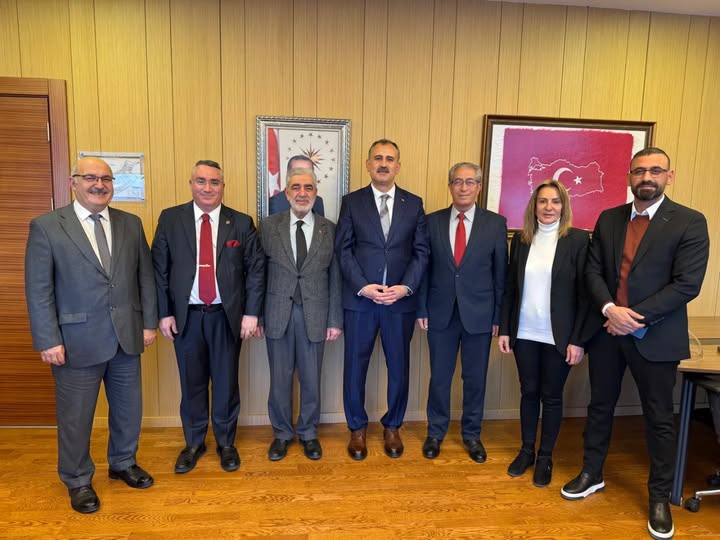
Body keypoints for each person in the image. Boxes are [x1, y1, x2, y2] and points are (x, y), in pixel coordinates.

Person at [560, 147, 710, 540]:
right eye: (640, 171)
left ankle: (659, 497)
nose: (647, 177)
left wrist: (632, 318)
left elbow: (687, 284)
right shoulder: (609, 219)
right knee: (599, 407)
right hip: (607, 333)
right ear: (629, 176)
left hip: (655, 336)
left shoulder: (690, 221)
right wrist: (610, 310)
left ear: (669, 176)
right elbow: (592, 272)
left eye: (655, 171)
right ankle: (592, 473)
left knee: (659, 419)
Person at [24, 157, 158, 514]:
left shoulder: (131, 224)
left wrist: (149, 323)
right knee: (76, 416)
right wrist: (47, 339)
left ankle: (123, 462)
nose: (99, 184)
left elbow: (145, 277)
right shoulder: (47, 227)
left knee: (128, 409)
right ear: (74, 182)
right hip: (75, 341)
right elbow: (38, 289)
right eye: (90, 178)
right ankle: (77, 478)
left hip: (126, 336)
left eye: (106, 179)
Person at [151, 160, 265, 474]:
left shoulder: (240, 222)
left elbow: (256, 270)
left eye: (214, 182)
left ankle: (226, 443)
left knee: (226, 383)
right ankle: (194, 443)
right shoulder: (171, 219)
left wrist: (251, 313)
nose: (207, 188)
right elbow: (159, 270)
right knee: (192, 383)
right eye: (201, 181)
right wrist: (164, 312)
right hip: (186, 318)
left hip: (226, 317)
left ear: (223, 187)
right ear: (191, 184)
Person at [335, 138, 429, 460]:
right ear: (368, 164)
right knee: (354, 367)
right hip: (361, 302)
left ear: (398, 166)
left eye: (390, 159)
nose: (384, 164)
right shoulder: (352, 202)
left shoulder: (413, 204)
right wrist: (363, 286)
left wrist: (406, 288)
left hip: (399, 303)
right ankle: (357, 428)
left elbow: (421, 252)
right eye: (378, 158)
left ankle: (393, 426)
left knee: (399, 367)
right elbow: (343, 251)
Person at [498, 179, 589, 487]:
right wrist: (506, 329)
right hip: (525, 332)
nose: (549, 207)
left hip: (559, 337)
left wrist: (578, 340)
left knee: (551, 396)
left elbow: (585, 296)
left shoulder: (578, 240)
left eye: (555, 201)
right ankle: (526, 451)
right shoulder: (521, 239)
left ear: (564, 206)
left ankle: (545, 456)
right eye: (543, 201)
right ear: (533, 206)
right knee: (529, 392)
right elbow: (510, 288)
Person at [417, 162, 507, 464]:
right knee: (439, 378)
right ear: (450, 186)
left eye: (470, 182)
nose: (464, 187)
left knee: (475, 379)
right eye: (458, 181)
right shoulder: (431, 222)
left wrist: (498, 317)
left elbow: (500, 275)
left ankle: (472, 435)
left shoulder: (495, 224)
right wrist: (421, 308)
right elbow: (424, 270)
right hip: (440, 313)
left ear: (479, 187)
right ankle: (435, 433)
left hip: (479, 315)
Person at [257, 167, 342, 461]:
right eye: (296, 187)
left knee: (311, 379)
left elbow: (335, 276)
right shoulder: (269, 227)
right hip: (277, 314)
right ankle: (281, 433)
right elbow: (258, 274)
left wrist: (334, 320)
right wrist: (257, 316)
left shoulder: (330, 229)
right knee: (280, 379)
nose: (302, 193)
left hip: (315, 314)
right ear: (286, 192)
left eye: (308, 187)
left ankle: (308, 433)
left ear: (316, 193)